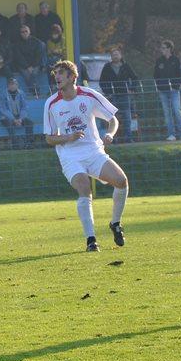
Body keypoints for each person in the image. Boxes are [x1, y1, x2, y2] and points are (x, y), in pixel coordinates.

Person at [43, 61, 129, 252]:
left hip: (94, 152)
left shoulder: (89, 95)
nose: (57, 77)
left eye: (61, 73)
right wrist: (68, 137)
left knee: (121, 181)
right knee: (84, 188)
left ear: (72, 77)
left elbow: (112, 119)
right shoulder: (51, 103)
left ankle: (115, 223)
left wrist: (110, 134)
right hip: (70, 156)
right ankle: (91, 240)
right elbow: (49, 138)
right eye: (55, 73)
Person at [99, 46, 138, 143]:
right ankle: (113, 139)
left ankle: (128, 138)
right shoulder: (107, 67)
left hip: (124, 94)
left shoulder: (126, 66)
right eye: (113, 55)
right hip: (112, 96)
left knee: (127, 117)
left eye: (117, 54)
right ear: (111, 57)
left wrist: (132, 89)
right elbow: (102, 81)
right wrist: (107, 91)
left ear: (121, 55)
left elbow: (135, 78)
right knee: (112, 118)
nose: (115, 56)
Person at [153, 39, 181, 140]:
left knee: (177, 111)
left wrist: (176, 85)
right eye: (161, 48)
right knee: (167, 113)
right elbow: (155, 75)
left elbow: (180, 74)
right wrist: (158, 86)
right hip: (162, 90)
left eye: (163, 48)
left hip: (174, 90)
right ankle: (171, 134)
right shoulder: (159, 61)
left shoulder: (175, 60)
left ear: (169, 49)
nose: (161, 50)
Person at [0, 77, 34, 148]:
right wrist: (13, 119)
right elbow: (3, 109)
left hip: (19, 116)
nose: (13, 86)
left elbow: (24, 107)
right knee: (9, 123)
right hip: (6, 117)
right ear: (8, 86)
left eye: (14, 84)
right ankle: (15, 145)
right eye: (11, 84)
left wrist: (20, 119)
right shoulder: (3, 94)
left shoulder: (21, 93)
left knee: (29, 122)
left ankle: (29, 143)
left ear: (17, 85)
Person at [12, 25, 47, 90]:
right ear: (20, 33)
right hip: (23, 65)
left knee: (34, 73)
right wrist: (27, 66)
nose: (24, 33)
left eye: (26, 31)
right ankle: (36, 91)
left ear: (29, 32)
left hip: (35, 64)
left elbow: (38, 56)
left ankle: (34, 91)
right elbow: (18, 57)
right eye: (22, 32)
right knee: (27, 74)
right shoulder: (16, 44)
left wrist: (32, 66)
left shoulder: (37, 42)